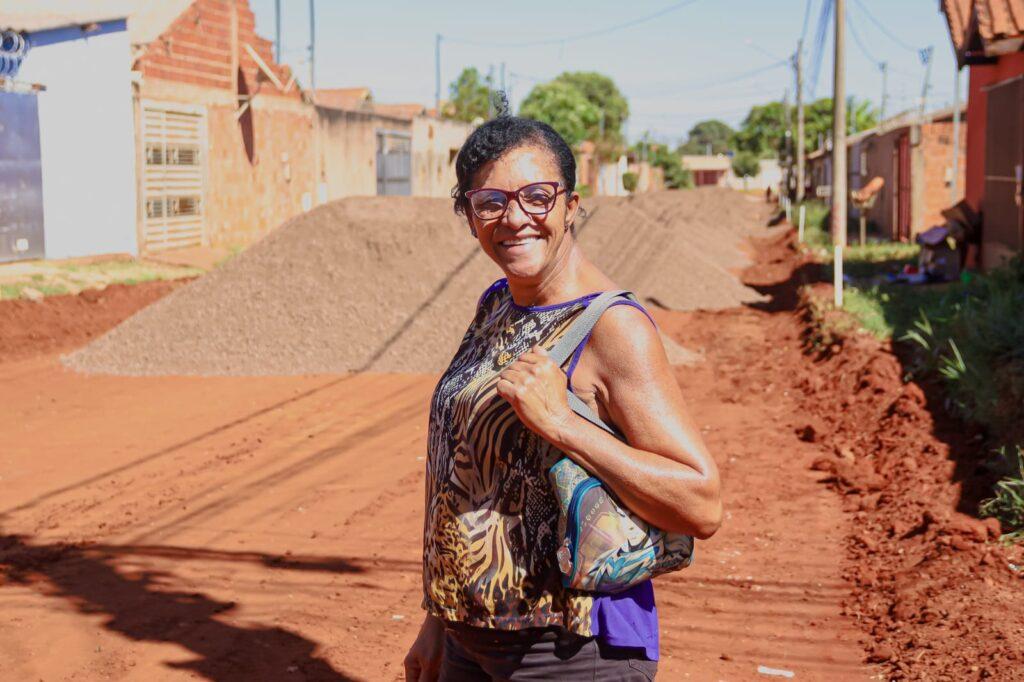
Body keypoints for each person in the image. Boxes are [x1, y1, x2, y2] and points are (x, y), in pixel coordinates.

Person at [404, 115, 722, 681]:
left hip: (572, 649)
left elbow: (700, 503)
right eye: (489, 202)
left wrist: (565, 426)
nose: (515, 217)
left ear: (571, 205)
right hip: (469, 637)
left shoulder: (612, 326)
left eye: (536, 196)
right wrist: (438, 618)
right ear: (468, 214)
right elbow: (458, 479)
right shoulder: (497, 306)